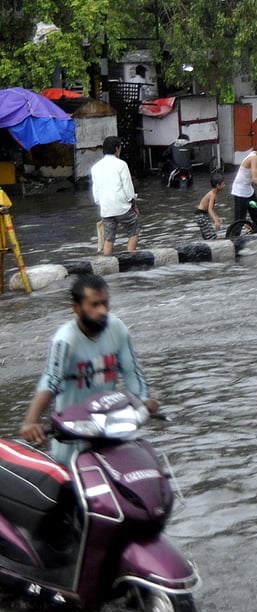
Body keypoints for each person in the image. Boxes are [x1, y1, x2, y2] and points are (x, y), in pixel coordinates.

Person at [19, 275, 158, 465]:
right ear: (76, 308)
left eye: (105, 303)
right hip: (72, 441)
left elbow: (131, 371)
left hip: (110, 432)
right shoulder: (65, 340)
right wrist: (31, 421)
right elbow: (50, 381)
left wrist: (143, 400)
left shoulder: (117, 329)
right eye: (94, 305)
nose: (102, 311)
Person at [91, 135, 139, 256]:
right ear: (117, 149)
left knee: (108, 239)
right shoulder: (121, 164)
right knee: (133, 233)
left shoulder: (95, 167)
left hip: (106, 209)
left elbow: (95, 192)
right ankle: (132, 259)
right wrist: (133, 204)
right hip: (122, 207)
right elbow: (128, 188)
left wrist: (101, 203)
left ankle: (107, 264)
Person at [195, 173, 224, 240]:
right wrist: (215, 221)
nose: (224, 186)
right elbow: (210, 209)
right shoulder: (212, 195)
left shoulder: (213, 194)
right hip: (201, 216)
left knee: (208, 235)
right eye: (223, 184)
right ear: (218, 185)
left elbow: (210, 209)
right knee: (211, 236)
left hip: (203, 215)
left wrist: (217, 217)